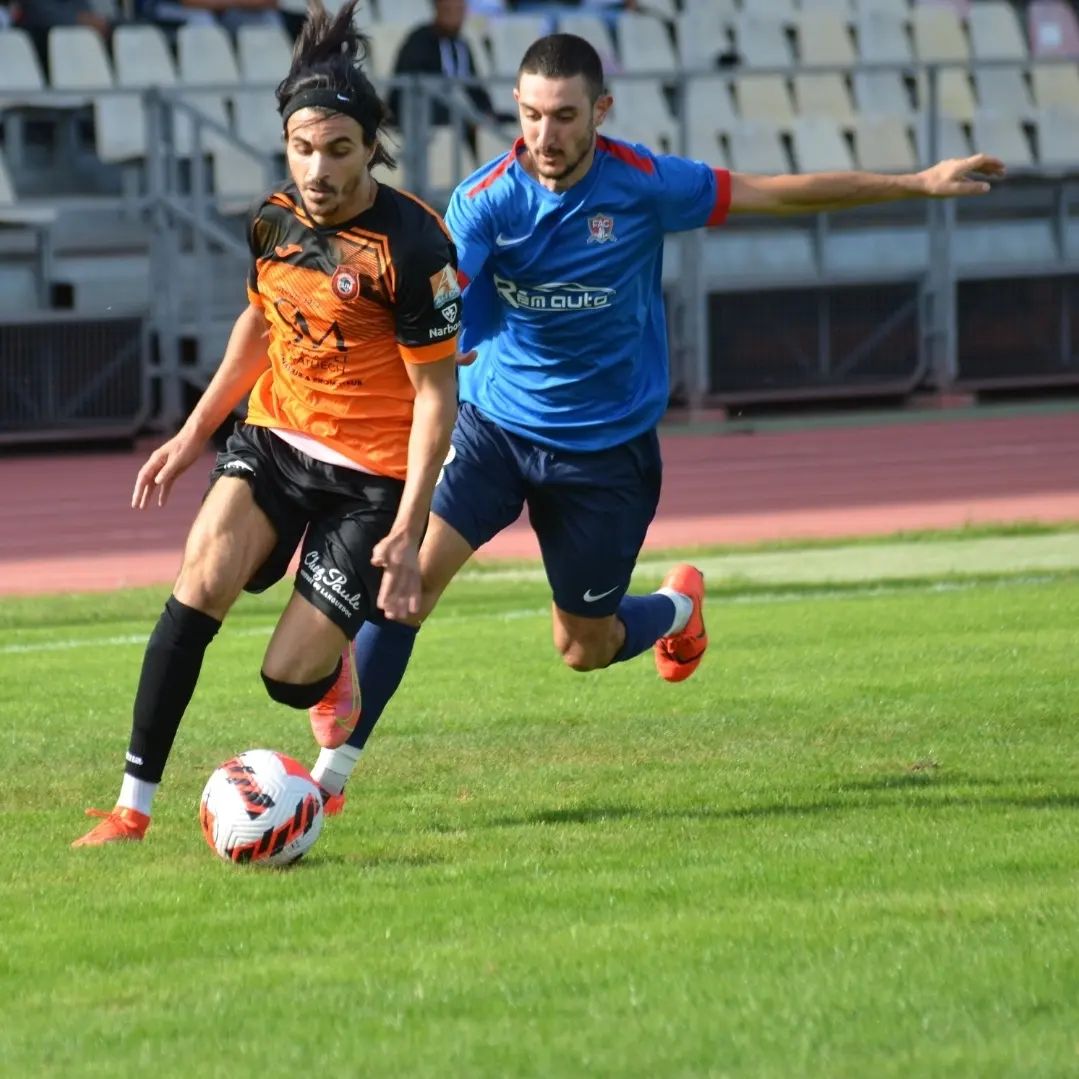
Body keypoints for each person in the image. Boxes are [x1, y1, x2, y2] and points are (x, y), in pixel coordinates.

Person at [302, 32, 1006, 810]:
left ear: (599, 111)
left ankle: (677, 607)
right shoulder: (485, 199)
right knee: (405, 586)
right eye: (533, 115)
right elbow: (437, 304)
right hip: (495, 431)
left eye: (565, 115)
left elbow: (776, 193)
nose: (546, 135)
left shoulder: (642, 183)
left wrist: (916, 182)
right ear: (516, 110)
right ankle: (327, 783)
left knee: (583, 646)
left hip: (604, 455)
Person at [72, 0, 463, 846]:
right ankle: (131, 807)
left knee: (287, 680)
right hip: (276, 441)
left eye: (338, 150)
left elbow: (437, 397)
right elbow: (260, 324)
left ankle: (329, 683)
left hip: (372, 479)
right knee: (198, 582)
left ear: (369, 148)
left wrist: (407, 525)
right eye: (302, 147)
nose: (316, 169)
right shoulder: (274, 218)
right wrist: (191, 432)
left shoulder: (414, 248)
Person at [389, 0, 498, 146]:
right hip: (423, 115)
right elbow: (412, 90)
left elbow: (474, 86)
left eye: (459, 10)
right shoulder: (419, 41)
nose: (455, 15)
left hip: (458, 115)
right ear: (437, 8)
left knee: (501, 120)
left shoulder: (462, 45)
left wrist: (486, 110)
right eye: (449, 10)